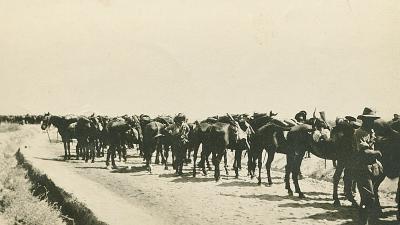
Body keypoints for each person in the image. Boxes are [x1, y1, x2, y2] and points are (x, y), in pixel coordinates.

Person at [350, 107, 383, 225]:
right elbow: (364, 151)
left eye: (374, 120)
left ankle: (364, 221)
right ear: (364, 120)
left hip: (371, 168)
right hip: (361, 168)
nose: (373, 122)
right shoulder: (359, 132)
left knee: (366, 198)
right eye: (370, 120)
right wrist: (377, 153)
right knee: (370, 198)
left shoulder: (371, 132)